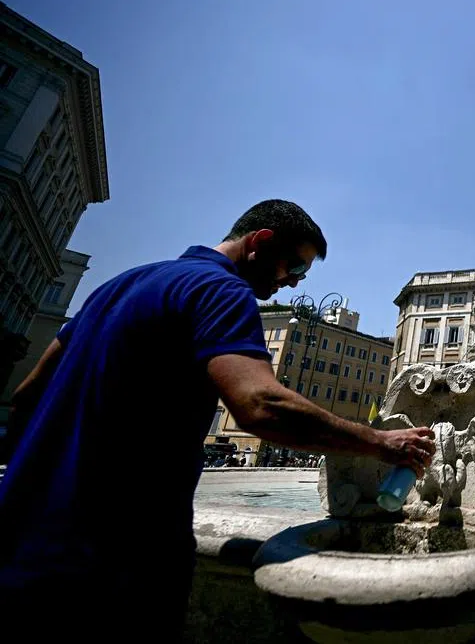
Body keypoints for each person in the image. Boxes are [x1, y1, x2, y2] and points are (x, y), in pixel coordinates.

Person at [0, 200, 436, 638]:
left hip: (20, 541)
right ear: (260, 243)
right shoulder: (220, 292)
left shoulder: (117, 286)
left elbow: (25, 397)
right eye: (295, 267)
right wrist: (381, 443)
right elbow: (261, 405)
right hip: (113, 561)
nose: (292, 283)